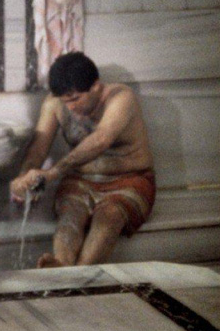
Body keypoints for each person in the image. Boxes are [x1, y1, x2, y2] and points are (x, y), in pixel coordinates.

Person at [10, 52, 155, 268]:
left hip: (129, 180)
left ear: (96, 86)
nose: (70, 107)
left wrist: (53, 173)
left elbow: (101, 140)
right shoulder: (54, 103)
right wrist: (24, 178)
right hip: (80, 181)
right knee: (70, 215)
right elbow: (38, 149)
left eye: (75, 99)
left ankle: (77, 275)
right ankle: (62, 265)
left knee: (108, 216)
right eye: (64, 101)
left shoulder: (121, 97)